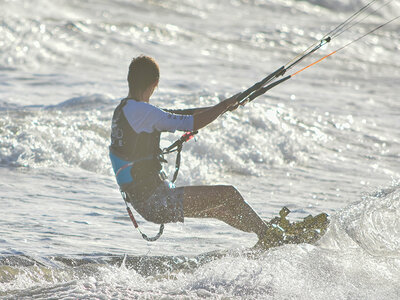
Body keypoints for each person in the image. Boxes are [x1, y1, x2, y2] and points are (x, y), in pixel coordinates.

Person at [109, 55, 269, 245]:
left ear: (130, 80)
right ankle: (269, 236)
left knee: (220, 209)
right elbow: (191, 122)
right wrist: (224, 104)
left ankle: (267, 231)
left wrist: (221, 109)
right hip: (156, 200)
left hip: (146, 202)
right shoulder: (143, 111)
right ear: (155, 83)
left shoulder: (125, 110)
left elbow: (178, 114)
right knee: (229, 195)